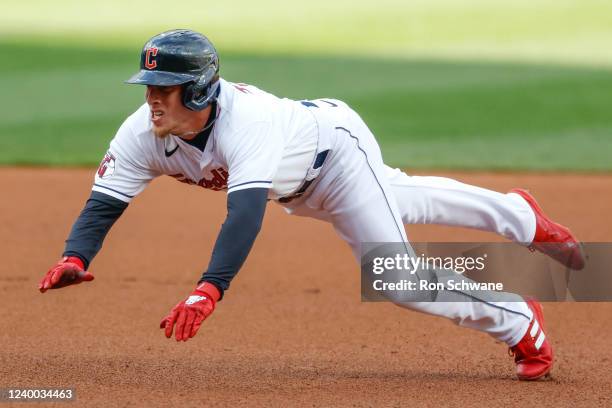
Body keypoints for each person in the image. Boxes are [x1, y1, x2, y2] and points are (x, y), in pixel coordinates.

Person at [38, 29, 585, 381]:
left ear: (201, 90)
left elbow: (244, 213)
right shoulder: (142, 133)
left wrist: (209, 289)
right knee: (399, 198)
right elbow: (104, 202)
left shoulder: (244, 125)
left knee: (394, 276)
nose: (152, 96)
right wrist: (75, 257)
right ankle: (518, 214)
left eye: (167, 85)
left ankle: (516, 317)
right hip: (301, 180)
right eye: (148, 84)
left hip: (336, 153)